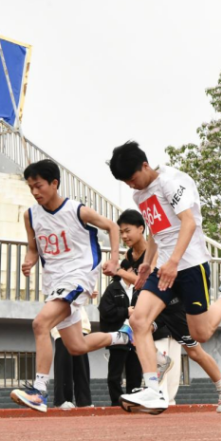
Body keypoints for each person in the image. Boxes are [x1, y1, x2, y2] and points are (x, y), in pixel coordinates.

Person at [108, 147, 221, 415]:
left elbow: (189, 223)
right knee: (138, 321)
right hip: (164, 268)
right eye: (125, 183)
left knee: (200, 335)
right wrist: (148, 262)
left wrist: (174, 262)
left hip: (191, 264)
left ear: (145, 165)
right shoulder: (139, 194)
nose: (131, 185)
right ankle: (153, 389)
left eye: (132, 178)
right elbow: (158, 232)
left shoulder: (171, 181)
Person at [10, 160, 128, 413]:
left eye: (39, 186)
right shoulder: (30, 215)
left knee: (40, 324)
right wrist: (28, 262)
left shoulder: (77, 210)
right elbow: (33, 248)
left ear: (54, 183)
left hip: (78, 276)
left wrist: (115, 258)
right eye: (31, 187)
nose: (35, 192)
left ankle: (38, 391)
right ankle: (123, 336)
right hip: (53, 281)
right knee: (77, 346)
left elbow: (112, 226)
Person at [116, 209, 221, 408]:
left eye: (127, 231)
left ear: (141, 229)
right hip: (157, 307)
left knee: (195, 351)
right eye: (121, 233)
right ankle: (158, 371)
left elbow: (145, 281)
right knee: (135, 328)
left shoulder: (157, 251)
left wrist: (119, 272)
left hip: (173, 305)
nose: (124, 236)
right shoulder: (128, 255)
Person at [99, 258, 144, 406]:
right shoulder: (113, 289)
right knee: (115, 372)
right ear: (124, 271)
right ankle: (117, 402)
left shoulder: (138, 290)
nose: (135, 273)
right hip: (118, 336)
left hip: (135, 337)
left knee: (135, 370)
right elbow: (105, 311)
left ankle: (133, 399)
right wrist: (126, 311)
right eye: (133, 270)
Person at [52, 308, 94, 409]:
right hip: (62, 325)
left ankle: (84, 401)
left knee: (82, 366)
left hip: (81, 325)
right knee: (64, 364)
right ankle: (61, 400)